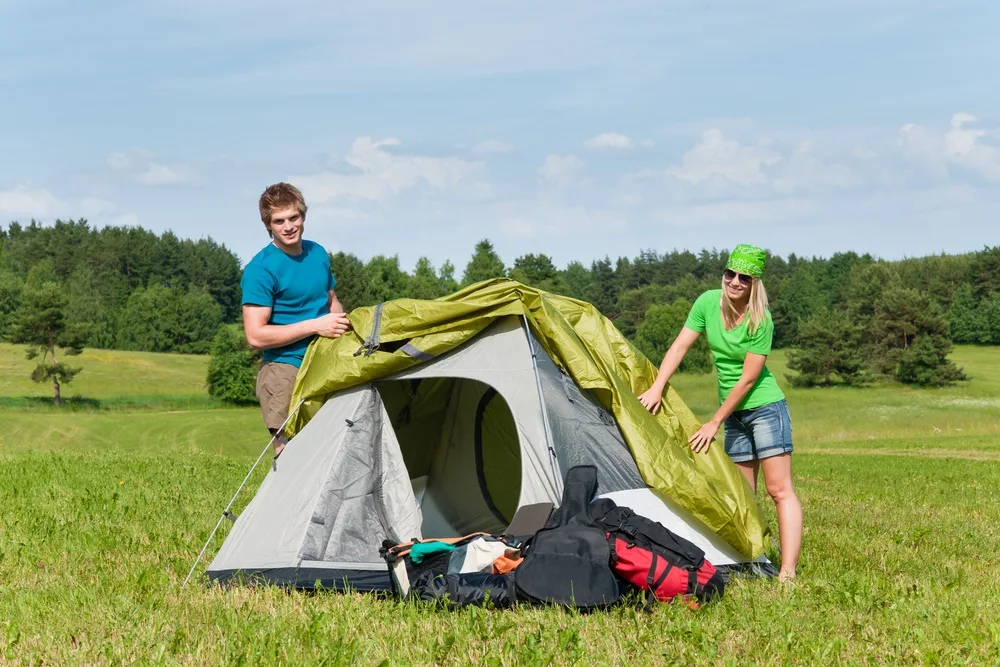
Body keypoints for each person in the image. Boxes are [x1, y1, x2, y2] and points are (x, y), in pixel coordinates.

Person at [636, 244, 802, 581]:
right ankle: (749, 560)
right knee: (740, 494)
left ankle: (787, 572)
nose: (735, 281)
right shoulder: (707, 303)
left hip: (765, 409)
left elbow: (748, 379)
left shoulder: (761, 320)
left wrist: (714, 422)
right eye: (730, 274)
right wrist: (657, 386)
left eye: (744, 277)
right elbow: (680, 346)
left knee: (778, 489)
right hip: (735, 416)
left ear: (755, 283)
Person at [241, 182, 352, 458]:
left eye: (294, 217)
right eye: (279, 221)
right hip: (284, 369)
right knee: (292, 458)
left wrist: (343, 326)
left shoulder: (317, 253)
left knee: (333, 451)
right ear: (268, 225)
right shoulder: (261, 269)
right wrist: (316, 325)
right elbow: (255, 337)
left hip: (325, 361)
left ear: (303, 216)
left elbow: (330, 300)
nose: (288, 226)